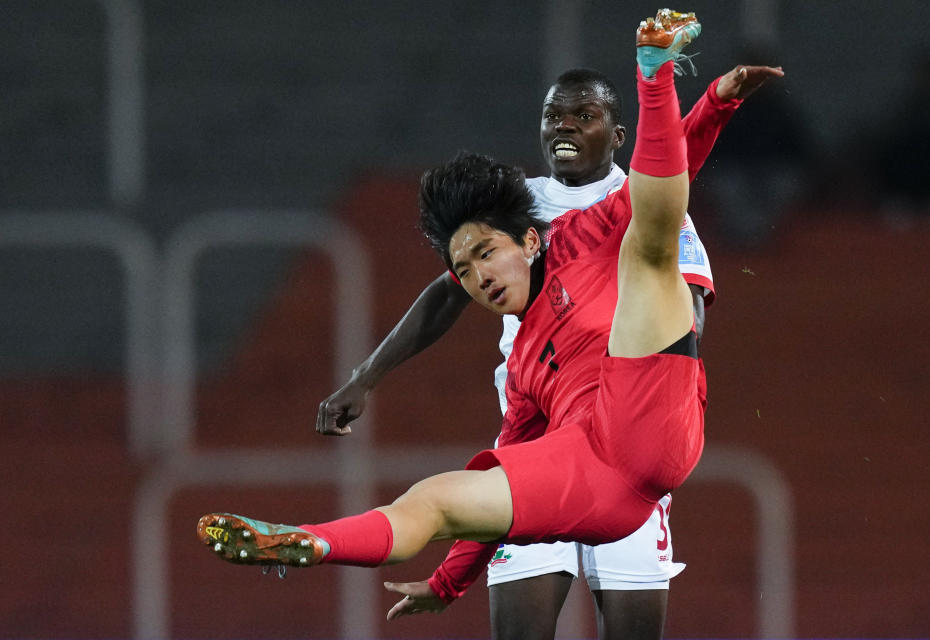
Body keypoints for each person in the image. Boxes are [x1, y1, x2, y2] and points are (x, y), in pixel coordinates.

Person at [197, 8, 778, 633]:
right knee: (436, 499)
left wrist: (714, 102)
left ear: (530, 242)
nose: (478, 277)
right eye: (466, 269)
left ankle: (653, 69)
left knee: (649, 238)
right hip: (585, 462)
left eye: (484, 256)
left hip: (645, 394)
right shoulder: (525, 369)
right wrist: (447, 583)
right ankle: (310, 542)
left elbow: (666, 183)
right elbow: (501, 424)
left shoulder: (588, 227)